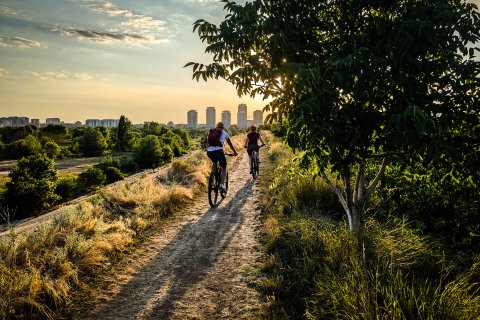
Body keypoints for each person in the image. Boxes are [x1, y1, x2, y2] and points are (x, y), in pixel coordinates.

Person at [206, 122, 238, 191]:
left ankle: (213, 181)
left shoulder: (211, 131)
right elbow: (230, 144)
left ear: (216, 126)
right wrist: (235, 152)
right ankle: (222, 184)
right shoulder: (224, 133)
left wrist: (208, 150)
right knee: (224, 166)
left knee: (214, 163)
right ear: (223, 128)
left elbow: (207, 142)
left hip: (210, 151)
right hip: (219, 151)